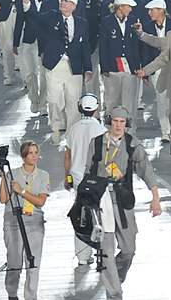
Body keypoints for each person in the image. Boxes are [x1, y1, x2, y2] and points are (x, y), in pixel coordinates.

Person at [84, 106, 162, 299]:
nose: (118, 125)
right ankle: (114, 293)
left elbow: (146, 170)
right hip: (101, 202)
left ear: (127, 123)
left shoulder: (132, 144)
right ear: (110, 121)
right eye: (116, 121)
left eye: (122, 122)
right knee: (107, 251)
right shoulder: (97, 143)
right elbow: (88, 171)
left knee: (129, 249)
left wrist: (155, 198)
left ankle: (115, 277)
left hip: (122, 200)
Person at [0, 140, 49, 300]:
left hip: (34, 221)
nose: (34, 156)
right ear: (23, 155)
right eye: (30, 153)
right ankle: (12, 293)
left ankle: (31, 296)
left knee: (33, 263)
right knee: (14, 263)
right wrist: (3, 179)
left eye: (36, 152)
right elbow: (3, 199)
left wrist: (21, 191)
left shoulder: (43, 175)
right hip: (13, 222)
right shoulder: (12, 174)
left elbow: (40, 201)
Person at [63, 93, 107, 267]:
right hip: (96, 179)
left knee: (80, 214)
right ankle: (102, 251)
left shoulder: (73, 129)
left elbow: (68, 155)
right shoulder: (101, 130)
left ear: (80, 108)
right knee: (101, 215)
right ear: (97, 108)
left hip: (77, 178)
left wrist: (67, 178)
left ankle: (82, 256)